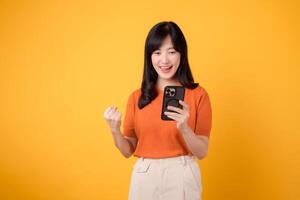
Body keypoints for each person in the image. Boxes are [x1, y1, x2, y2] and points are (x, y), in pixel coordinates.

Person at [103, 21, 212, 200]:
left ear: (181, 54)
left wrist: (184, 127)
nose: (164, 60)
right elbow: (127, 151)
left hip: (182, 173)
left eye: (171, 52)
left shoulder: (198, 95)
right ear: (149, 56)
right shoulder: (136, 97)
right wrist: (114, 130)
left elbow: (202, 152)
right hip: (145, 175)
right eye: (157, 52)